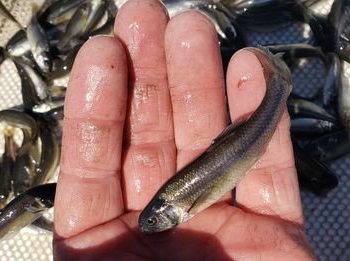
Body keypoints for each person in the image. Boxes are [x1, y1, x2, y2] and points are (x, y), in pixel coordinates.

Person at [53, 0, 316, 259]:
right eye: (153, 223)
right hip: (240, 151)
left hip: (238, 152)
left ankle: (278, 86)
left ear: (166, 211)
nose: (149, 227)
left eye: (155, 222)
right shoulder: (177, 202)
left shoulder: (181, 202)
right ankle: (277, 86)